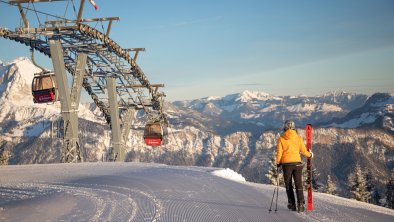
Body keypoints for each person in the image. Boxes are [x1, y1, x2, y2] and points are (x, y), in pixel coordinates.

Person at [276, 120, 313, 212]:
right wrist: (310, 155)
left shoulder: (281, 138)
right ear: (293, 127)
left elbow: (279, 153)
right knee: (298, 184)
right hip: (297, 164)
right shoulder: (298, 138)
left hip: (286, 165)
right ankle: (300, 204)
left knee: (288, 185)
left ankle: (292, 204)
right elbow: (304, 152)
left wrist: (278, 163)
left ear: (285, 127)